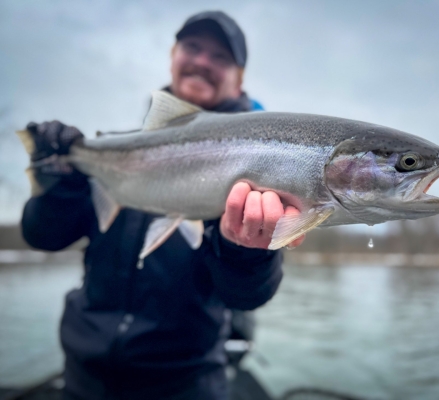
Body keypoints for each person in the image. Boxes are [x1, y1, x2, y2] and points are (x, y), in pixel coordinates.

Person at [21, 11, 304, 400]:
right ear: (173, 56)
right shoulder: (113, 151)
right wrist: (60, 181)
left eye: (220, 57)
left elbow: (247, 296)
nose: (203, 61)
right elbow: (43, 237)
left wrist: (247, 251)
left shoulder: (259, 167)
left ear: (239, 78)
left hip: (188, 385)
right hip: (82, 379)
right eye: (193, 48)